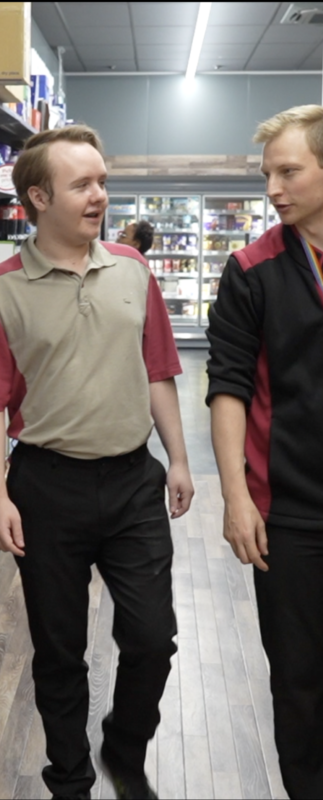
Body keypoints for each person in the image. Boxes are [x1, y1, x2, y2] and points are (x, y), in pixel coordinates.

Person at [206, 104, 323, 800]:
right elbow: (226, 386)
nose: (273, 188)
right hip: (289, 519)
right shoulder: (249, 271)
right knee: (296, 683)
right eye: (268, 174)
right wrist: (236, 498)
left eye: (288, 171)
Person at [0, 124, 194, 800]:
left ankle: (125, 743)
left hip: (132, 479)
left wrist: (177, 459)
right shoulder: (4, 289)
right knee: (59, 652)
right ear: (37, 196)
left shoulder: (133, 271)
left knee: (152, 638)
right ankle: (70, 781)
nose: (99, 196)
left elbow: (160, 370)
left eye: (102, 181)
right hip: (46, 486)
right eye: (82, 184)